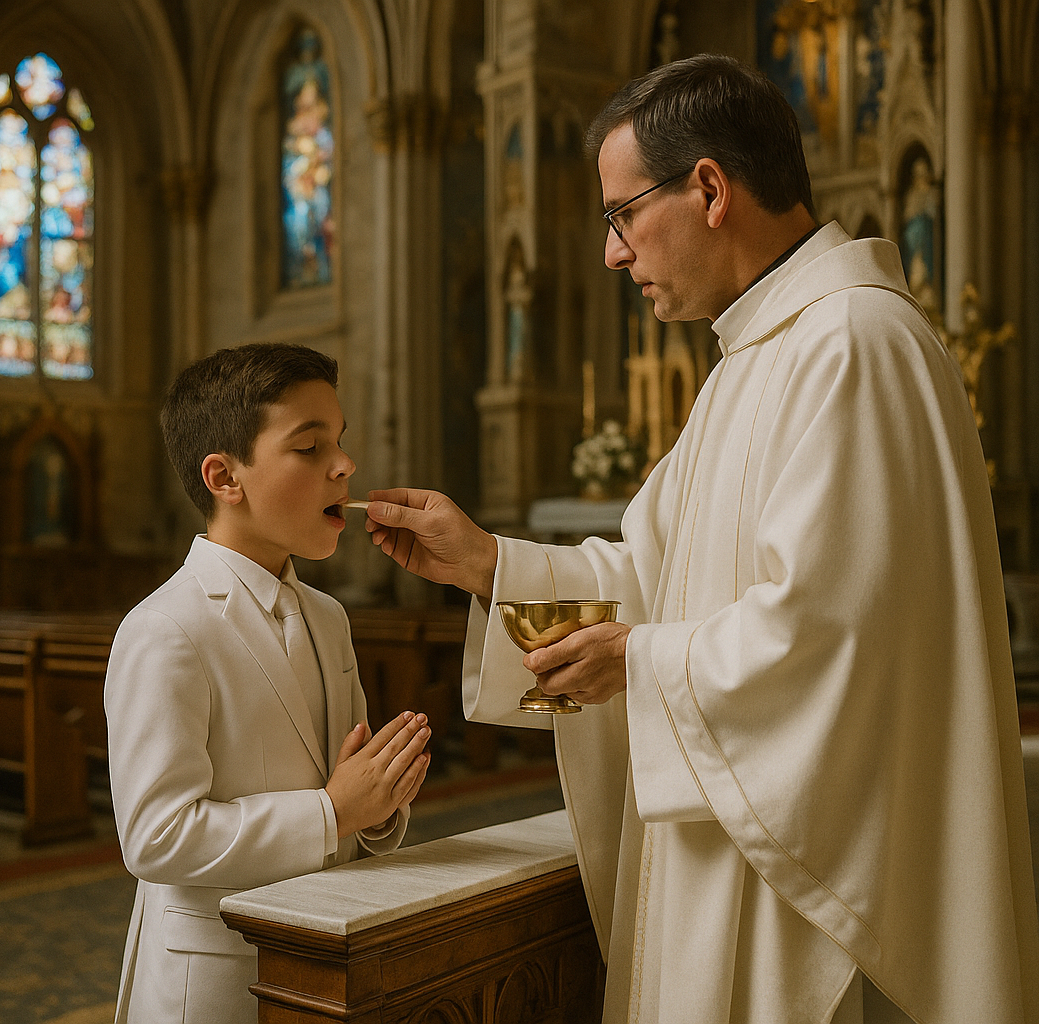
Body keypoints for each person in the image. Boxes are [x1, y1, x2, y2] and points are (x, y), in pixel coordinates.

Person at [362, 55, 1039, 1024]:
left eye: (621, 216)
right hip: (735, 851)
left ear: (710, 188)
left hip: (804, 886)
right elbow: (661, 576)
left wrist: (641, 659)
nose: (612, 253)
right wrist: (490, 565)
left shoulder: (853, 345)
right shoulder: (752, 360)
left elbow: (838, 640)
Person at [107, 343, 432, 1023]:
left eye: (340, 442)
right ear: (225, 477)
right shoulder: (165, 629)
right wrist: (334, 812)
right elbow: (156, 835)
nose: (344, 466)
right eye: (310, 449)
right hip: (214, 978)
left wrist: (377, 805)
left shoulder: (329, 616)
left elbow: (343, 783)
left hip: (324, 958)